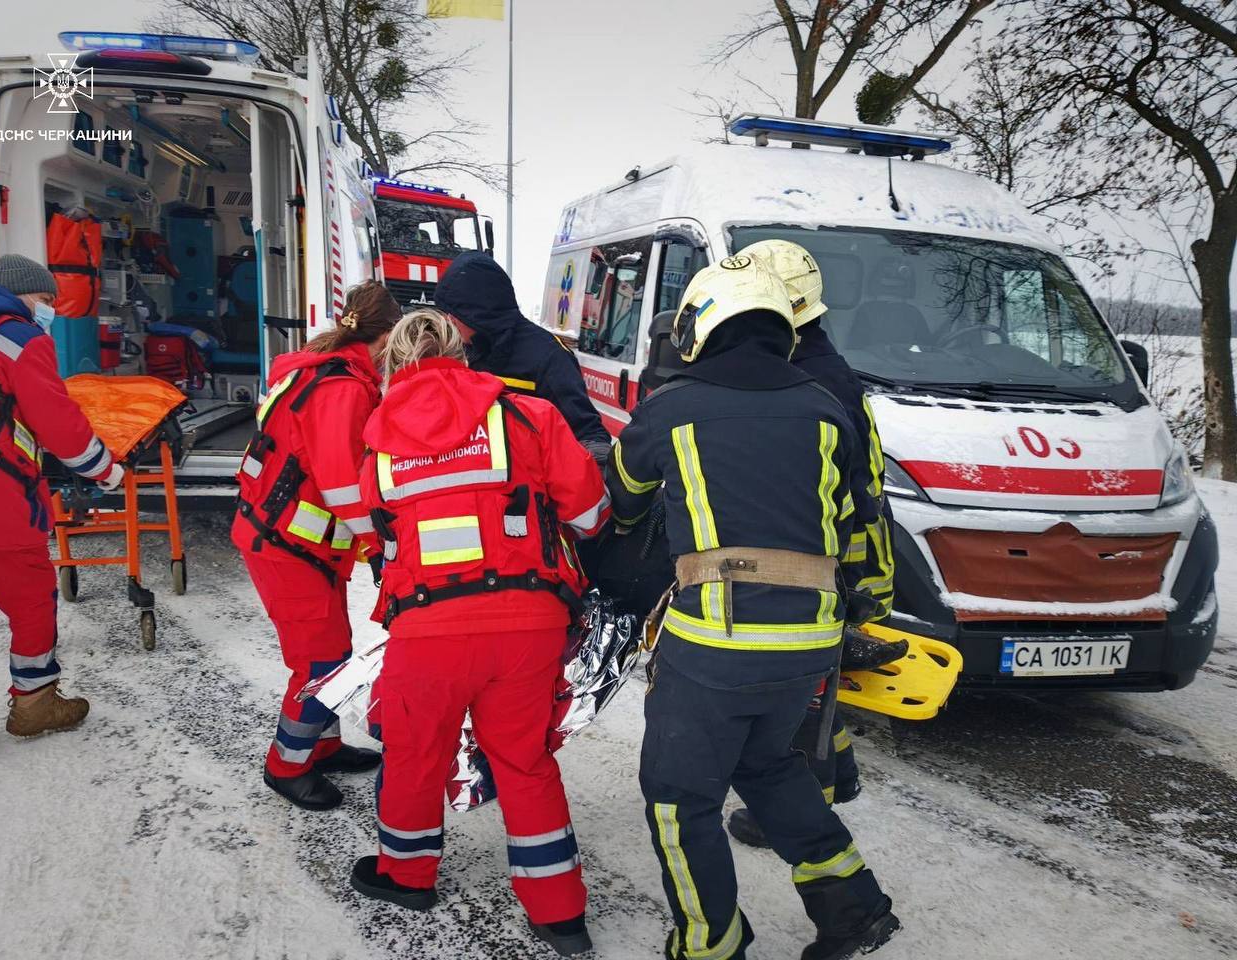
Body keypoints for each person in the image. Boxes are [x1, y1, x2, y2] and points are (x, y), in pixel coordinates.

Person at [607, 255, 900, 960]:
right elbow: (855, 516)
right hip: (808, 643)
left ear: (700, 328)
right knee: (768, 766)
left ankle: (710, 942)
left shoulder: (669, 410)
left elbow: (621, 505)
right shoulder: (829, 411)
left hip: (714, 644)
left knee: (679, 798)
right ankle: (854, 909)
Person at [350, 307, 609, 957]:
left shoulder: (379, 444)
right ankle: (559, 914)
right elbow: (589, 512)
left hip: (428, 631)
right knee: (524, 760)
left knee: (414, 753)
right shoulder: (527, 415)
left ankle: (406, 877)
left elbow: (382, 534)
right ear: (465, 357)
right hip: (529, 626)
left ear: (392, 368)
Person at [727, 239, 899, 848]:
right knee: (813, 682)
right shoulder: (825, 367)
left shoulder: (807, 381)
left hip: (832, 565)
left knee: (802, 699)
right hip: (852, 557)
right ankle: (842, 775)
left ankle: (799, 812)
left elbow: (829, 496)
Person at [232, 279, 400, 811]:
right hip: (288, 547)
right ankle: (287, 765)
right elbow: (343, 486)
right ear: (387, 334)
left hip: (292, 541)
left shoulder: (314, 368)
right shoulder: (342, 387)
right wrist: (379, 548)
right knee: (322, 660)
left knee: (331, 651)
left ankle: (321, 745)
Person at [0, 256, 125, 772]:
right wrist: (106, 471)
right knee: (31, 601)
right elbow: (59, 423)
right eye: (47, 300)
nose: (51, 310)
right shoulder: (19, 339)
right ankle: (34, 703)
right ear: (22, 294)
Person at [434, 251, 610, 462]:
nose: (449, 320)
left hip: (536, 487)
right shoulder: (458, 352)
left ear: (479, 313)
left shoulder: (548, 357)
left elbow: (588, 435)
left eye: (455, 313)